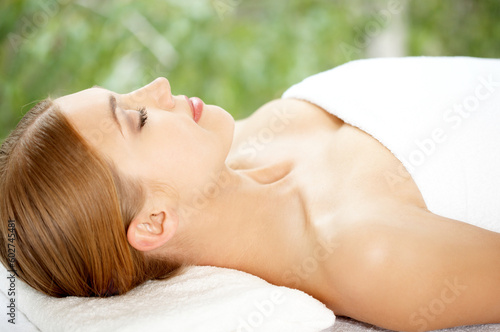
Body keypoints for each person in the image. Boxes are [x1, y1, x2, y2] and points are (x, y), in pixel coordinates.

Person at [1, 57, 499, 332]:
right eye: (139, 118)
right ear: (154, 222)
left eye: (125, 93)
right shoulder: (365, 253)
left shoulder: (247, 139)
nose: (158, 85)